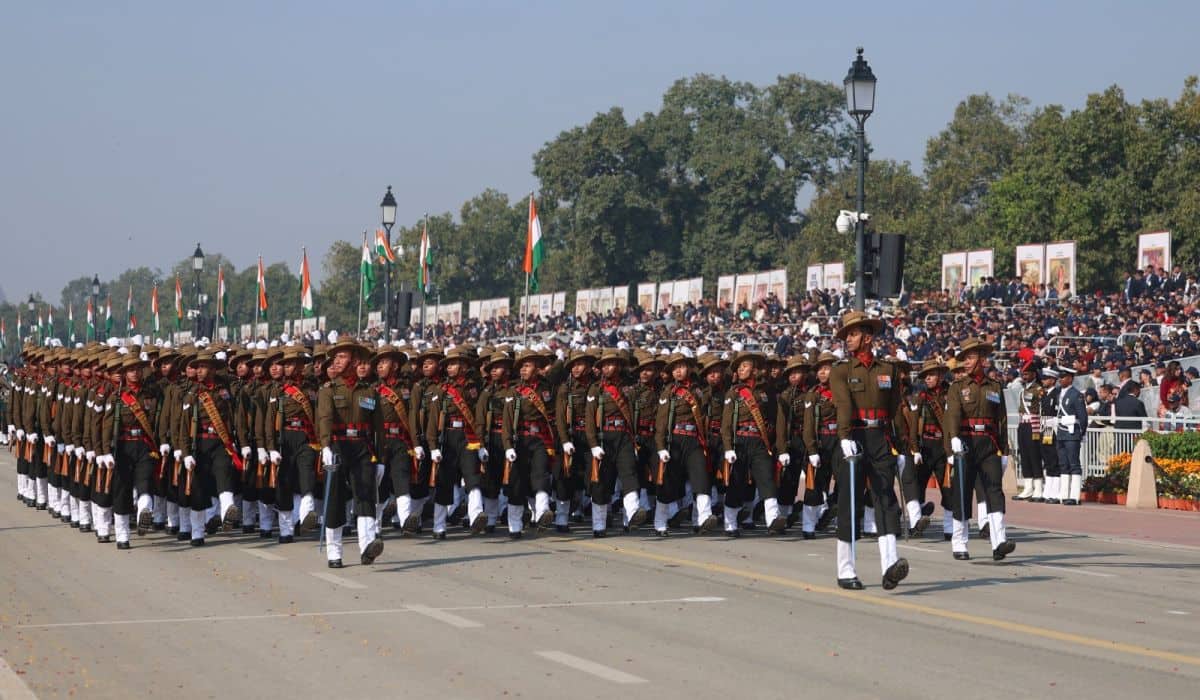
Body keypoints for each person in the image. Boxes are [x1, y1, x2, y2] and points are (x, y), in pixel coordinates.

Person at [828, 311, 908, 591]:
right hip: (854, 437)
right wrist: (844, 436)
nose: (848, 339)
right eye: (846, 335)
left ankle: (890, 565)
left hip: (880, 438)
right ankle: (846, 569)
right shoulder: (841, 370)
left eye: (853, 334)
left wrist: (902, 447)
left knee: (885, 498)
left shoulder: (888, 369)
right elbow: (843, 405)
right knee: (850, 502)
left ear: (867, 337)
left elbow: (896, 409)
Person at [943, 338, 1015, 562]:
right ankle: (959, 541)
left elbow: (1001, 419)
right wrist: (954, 439)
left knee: (995, 490)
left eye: (970, 358)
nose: (966, 362)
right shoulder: (957, 387)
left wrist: (1004, 450)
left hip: (989, 443)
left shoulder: (994, 387)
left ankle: (999, 541)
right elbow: (953, 415)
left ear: (982, 360)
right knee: (963, 492)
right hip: (966, 443)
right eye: (964, 359)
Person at [316, 339, 382, 567]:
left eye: (342, 356)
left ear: (354, 361)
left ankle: (367, 547)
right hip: (337, 447)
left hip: (362, 448)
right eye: (335, 357)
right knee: (335, 498)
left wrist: (380, 459)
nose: (336, 360)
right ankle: (334, 551)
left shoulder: (369, 391)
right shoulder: (329, 390)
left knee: (365, 496)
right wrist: (325, 446)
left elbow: (377, 428)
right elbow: (325, 419)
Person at [177, 349, 242, 546]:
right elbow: (184, 426)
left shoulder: (225, 389)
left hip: (221, 441)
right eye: (197, 367)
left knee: (224, 473)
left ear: (213, 369)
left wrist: (240, 442)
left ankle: (228, 509)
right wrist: (186, 453)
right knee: (199, 490)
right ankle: (197, 532)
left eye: (203, 367)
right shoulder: (192, 393)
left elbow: (234, 416)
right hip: (199, 444)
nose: (199, 371)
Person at [720, 350, 786, 536]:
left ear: (755, 369)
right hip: (739, 442)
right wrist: (728, 448)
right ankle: (730, 523)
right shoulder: (734, 392)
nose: (741, 370)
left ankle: (773, 519)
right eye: (739, 367)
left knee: (766, 478)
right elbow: (726, 425)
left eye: (745, 366)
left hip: (759, 441)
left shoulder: (767, 391)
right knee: (736, 482)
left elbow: (775, 420)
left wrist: (778, 446)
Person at [653, 353, 717, 536]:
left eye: (681, 367)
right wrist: (661, 447)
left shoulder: (699, 390)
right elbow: (661, 423)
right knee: (668, 483)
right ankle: (660, 522)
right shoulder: (669, 392)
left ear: (688, 368)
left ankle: (703, 518)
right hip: (674, 440)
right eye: (675, 368)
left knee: (701, 478)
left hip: (694, 440)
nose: (678, 371)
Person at [584, 349, 646, 537]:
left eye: (611, 364)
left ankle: (633, 512)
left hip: (624, 436)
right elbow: (589, 420)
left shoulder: (630, 388)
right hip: (604, 438)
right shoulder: (596, 389)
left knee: (629, 473)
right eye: (604, 364)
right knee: (601, 482)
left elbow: (636, 413)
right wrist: (593, 444)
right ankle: (599, 524)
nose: (607, 367)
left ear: (618, 366)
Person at [500, 349, 557, 538]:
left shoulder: (547, 388)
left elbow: (553, 415)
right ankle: (515, 525)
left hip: (540, 439)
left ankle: (542, 511)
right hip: (520, 440)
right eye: (521, 366)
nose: (523, 369)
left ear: (537, 367)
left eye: (527, 365)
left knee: (541, 474)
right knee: (517, 484)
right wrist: (508, 446)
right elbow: (507, 422)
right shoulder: (515, 391)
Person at [1054, 365, 1088, 506]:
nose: (1060, 380)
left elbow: (1083, 417)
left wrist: (1080, 433)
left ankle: (1074, 496)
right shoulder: (1059, 393)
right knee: (1063, 464)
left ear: (1070, 378)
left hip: (1072, 433)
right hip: (1061, 432)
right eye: (1059, 377)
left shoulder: (1076, 395)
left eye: (1063, 377)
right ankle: (1063, 495)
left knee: (1074, 464)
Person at [1012, 361, 1045, 502]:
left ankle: (1038, 488)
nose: (1024, 377)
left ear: (1033, 374)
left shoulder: (1038, 389)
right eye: (1023, 374)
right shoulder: (1023, 390)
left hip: (1034, 424)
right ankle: (1028, 487)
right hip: (1023, 424)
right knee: (1024, 455)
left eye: (1026, 374)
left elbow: (1042, 409)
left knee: (1034, 455)